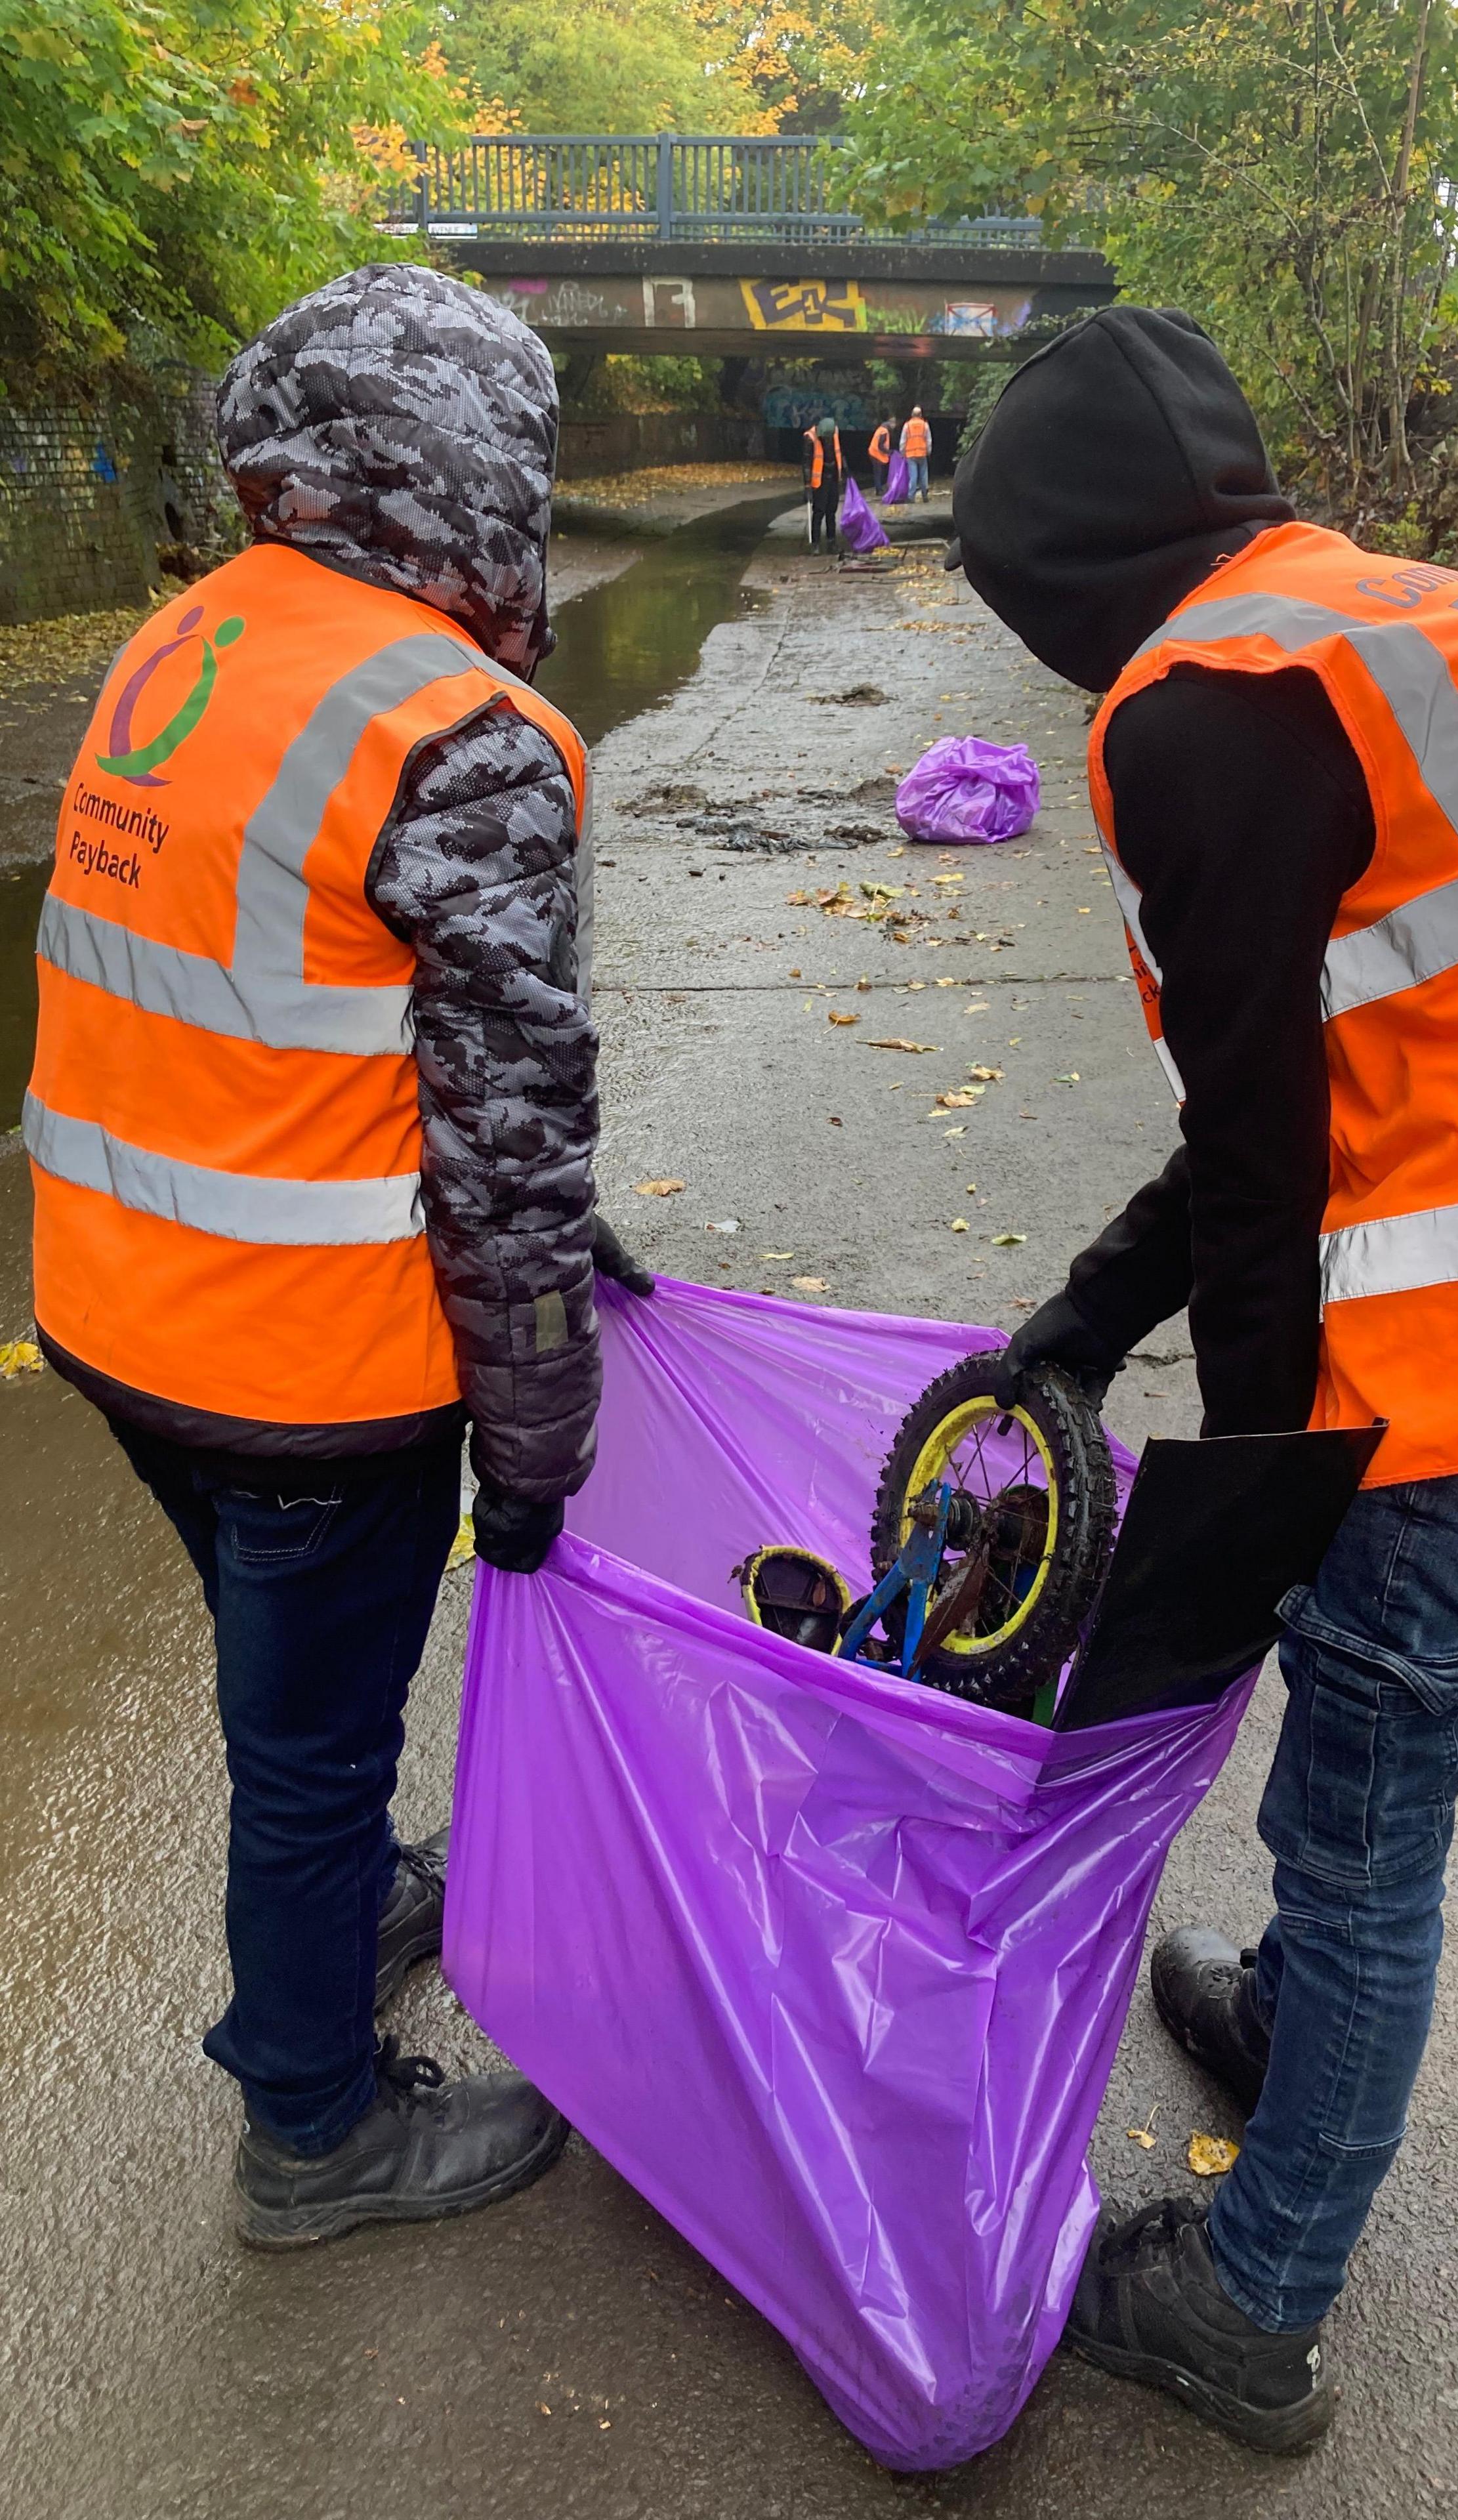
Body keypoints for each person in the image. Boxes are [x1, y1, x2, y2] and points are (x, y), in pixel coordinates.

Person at [952, 305, 1458, 2451]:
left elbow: (1270, 1159)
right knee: (1358, 1774)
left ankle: (1253, 2307)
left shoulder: (1208, 713)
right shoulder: (1387, 625)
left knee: (1366, 1809)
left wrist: (1258, 1479)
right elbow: (1312, 1086)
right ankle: (1288, 2025)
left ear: (1064, 584)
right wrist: (1085, 1326)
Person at [25, 262, 655, 2248]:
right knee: (304, 1746)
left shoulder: (178, 644)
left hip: (110, 1313)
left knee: (280, 1688)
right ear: (483, 471)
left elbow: (276, 980)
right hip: (307, 1368)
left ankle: (347, 1895)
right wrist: (538, 1419)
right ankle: (311, 2125)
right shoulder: (462, 728)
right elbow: (510, 1119)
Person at [804, 413, 845, 551]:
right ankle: (816, 544)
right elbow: (806, 464)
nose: (828, 440)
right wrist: (808, 486)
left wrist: (844, 470)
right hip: (819, 481)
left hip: (833, 477)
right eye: (826, 438)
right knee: (819, 512)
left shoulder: (834, 432)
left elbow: (839, 452)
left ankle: (832, 542)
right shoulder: (810, 438)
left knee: (831, 511)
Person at [900, 406, 932, 501]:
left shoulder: (907, 425)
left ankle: (911, 497)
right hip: (922, 453)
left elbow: (903, 441)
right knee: (923, 474)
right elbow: (929, 440)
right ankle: (925, 495)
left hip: (911, 454)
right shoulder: (925, 425)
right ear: (921, 415)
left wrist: (902, 452)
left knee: (913, 475)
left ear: (912, 414)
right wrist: (928, 451)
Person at [869, 415, 896, 497]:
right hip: (876, 454)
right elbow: (880, 445)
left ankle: (880, 488)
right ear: (891, 424)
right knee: (878, 473)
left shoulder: (881, 429)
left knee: (879, 472)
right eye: (894, 424)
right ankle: (879, 490)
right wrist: (888, 452)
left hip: (873, 452)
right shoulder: (884, 431)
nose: (895, 426)